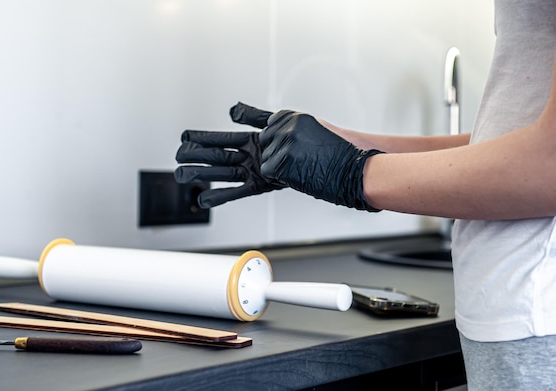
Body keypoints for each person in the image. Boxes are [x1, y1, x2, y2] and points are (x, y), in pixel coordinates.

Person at [175, 0, 556, 389]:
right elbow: (505, 140)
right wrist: (341, 146)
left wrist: (351, 172)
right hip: (520, 308)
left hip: (539, 311)